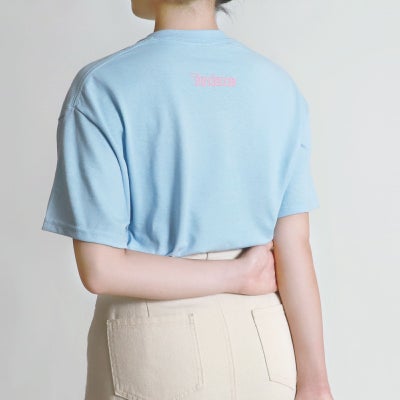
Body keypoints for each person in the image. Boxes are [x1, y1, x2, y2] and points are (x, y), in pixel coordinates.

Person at [41, 1, 334, 399]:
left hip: (153, 345)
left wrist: (236, 275)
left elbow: (101, 269)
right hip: (266, 344)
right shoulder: (279, 86)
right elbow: (293, 248)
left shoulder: (102, 86)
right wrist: (316, 382)